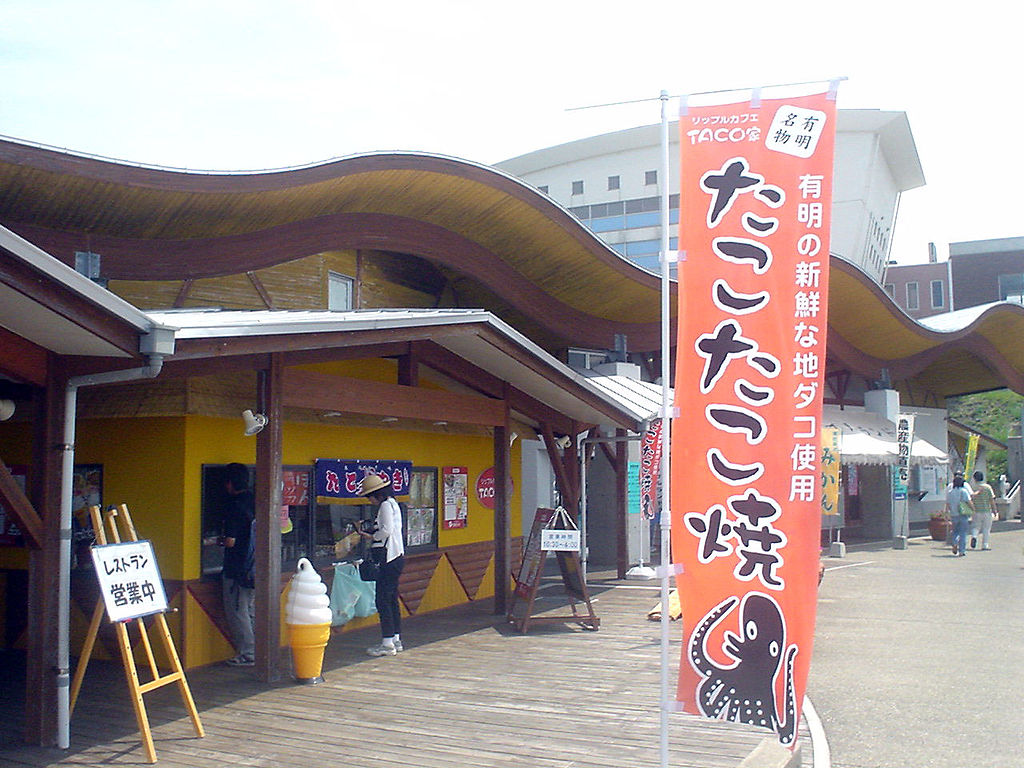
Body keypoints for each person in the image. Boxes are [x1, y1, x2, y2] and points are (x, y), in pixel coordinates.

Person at [358, 473, 405, 657]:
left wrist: (372, 536)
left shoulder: (385, 505)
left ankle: (387, 643)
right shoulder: (394, 504)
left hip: (388, 558)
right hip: (397, 556)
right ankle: (395, 639)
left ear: (377, 493)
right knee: (391, 598)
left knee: (382, 600)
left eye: (369, 496)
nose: (369, 500)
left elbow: (386, 531)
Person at [220, 462, 255, 666]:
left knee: (237, 611)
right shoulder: (256, 500)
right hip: (256, 566)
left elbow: (231, 541)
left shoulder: (234, 506)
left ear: (230, 484)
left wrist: (220, 540)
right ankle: (259, 649)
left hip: (237, 568)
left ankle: (248, 653)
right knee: (250, 610)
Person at [944, 473, 974, 557]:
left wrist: (947, 514)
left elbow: (947, 504)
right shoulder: (963, 491)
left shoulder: (950, 492)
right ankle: (962, 551)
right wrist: (973, 509)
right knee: (963, 533)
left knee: (955, 531)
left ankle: (954, 542)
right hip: (963, 514)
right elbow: (969, 501)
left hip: (954, 514)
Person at [969, 470, 996, 550]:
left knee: (976, 526)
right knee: (986, 528)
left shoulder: (973, 488)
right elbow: (991, 500)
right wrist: (994, 510)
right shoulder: (987, 487)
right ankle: (985, 545)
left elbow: (970, 498)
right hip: (987, 511)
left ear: (974, 479)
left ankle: (974, 536)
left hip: (976, 511)